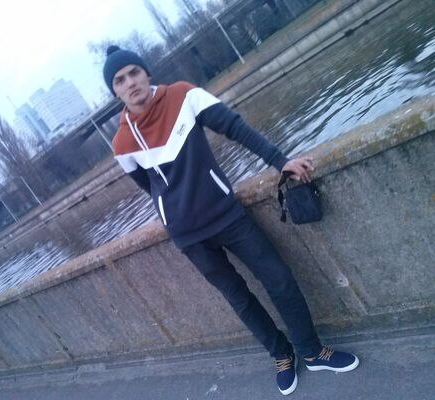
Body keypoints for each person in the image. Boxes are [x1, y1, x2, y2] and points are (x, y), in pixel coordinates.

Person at [103, 45, 359, 395]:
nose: (130, 82)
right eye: (120, 80)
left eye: (134, 72)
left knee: (279, 279)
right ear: (115, 91)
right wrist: (173, 211)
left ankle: (311, 351)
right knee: (239, 299)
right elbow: (149, 187)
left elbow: (235, 128)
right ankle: (281, 354)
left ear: (146, 72)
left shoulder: (183, 95)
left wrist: (279, 161)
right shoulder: (122, 143)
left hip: (226, 216)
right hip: (188, 236)